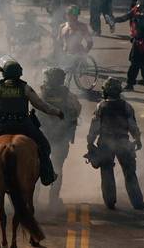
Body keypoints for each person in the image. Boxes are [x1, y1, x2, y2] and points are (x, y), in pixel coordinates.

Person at [0, 56, 64, 186]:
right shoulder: (25, 88)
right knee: (44, 146)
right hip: (23, 125)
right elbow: (41, 105)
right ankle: (47, 175)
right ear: (19, 73)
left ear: (4, 73)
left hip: (2, 126)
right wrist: (57, 112)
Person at [85, 77, 144, 210]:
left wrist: (90, 142)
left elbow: (94, 127)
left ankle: (110, 201)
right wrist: (137, 140)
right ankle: (137, 202)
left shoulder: (101, 106)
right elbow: (133, 126)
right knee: (130, 173)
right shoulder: (126, 106)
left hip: (105, 144)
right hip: (123, 142)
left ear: (105, 91)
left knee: (107, 172)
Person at [38, 67, 81, 208]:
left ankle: (33, 199)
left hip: (42, 136)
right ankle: (53, 201)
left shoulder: (41, 93)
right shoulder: (68, 95)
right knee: (57, 168)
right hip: (60, 137)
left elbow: (33, 111)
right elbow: (76, 110)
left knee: (37, 167)